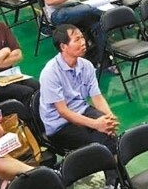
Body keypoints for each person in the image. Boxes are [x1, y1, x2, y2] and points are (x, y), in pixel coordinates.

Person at [38, 24, 120, 157]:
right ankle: (114, 177)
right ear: (63, 47)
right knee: (100, 143)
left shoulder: (86, 65)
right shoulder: (50, 73)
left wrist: (108, 117)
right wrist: (96, 124)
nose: (83, 43)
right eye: (77, 40)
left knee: (109, 132)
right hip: (60, 125)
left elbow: (97, 97)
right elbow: (63, 112)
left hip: (82, 110)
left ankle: (117, 175)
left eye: (82, 38)